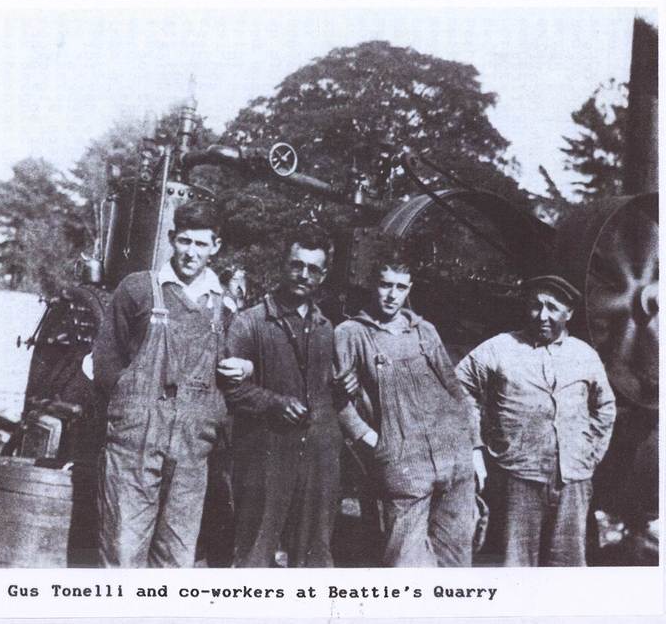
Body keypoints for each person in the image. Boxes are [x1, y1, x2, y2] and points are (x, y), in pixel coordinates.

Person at [92, 200, 248, 567]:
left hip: (192, 451)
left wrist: (245, 368)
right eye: (184, 242)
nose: (191, 253)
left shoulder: (225, 307)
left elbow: (235, 369)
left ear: (216, 247)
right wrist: (130, 413)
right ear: (171, 239)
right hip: (135, 445)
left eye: (201, 244)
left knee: (176, 559)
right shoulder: (138, 289)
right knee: (122, 553)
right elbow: (104, 362)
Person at [333, 250, 481, 567]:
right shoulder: (350, 334)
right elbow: (340, 403)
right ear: (373, 285)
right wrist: (375, 442)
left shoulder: (424, 330)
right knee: (405, 565)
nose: (392, 295)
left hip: (454, 458)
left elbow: (454, 388)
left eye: (400, 287)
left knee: (455, 563)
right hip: (404, 468)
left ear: (409, 288)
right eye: (385, 285)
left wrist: (475, 448)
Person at [456, 275, 616, 567]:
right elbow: (458, 387)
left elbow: (605, 406)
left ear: (569, 314)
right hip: (519, 477)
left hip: (573, 481)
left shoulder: (585, 355)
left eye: (552, 308)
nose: (543, 315)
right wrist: (476, 446)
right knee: (516, 566)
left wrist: (590, 454)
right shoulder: (500, 348)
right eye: (535, 306)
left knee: (567, 565)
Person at [224, 225, 343, 567]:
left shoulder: (326, 328)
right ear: (283, 264)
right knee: (254, 553)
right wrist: (274, 403)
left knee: (314, 555)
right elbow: (232, 390)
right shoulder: (250, 322)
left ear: (322, 276)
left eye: (313, 269)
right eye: (296, 265)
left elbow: (328, 388)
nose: (303, 275)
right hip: (265, 454)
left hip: (317, 457)